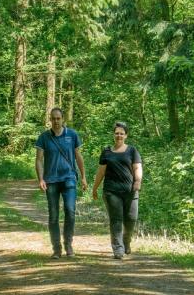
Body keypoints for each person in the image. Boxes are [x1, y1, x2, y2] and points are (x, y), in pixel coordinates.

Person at [35, 108, 88, 259]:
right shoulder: (44, 137)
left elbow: (78, 156)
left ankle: (68, 244)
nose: (56, 121)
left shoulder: (72, 135)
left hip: (69, 178)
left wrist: (83, 177)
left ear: (63, 119)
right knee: (53, 215)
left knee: (70, 211)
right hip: (51, 181)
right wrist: (40, 179)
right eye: (53, 119)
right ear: (50, 120)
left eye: (58, 118)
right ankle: (56, 248)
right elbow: (39, 160)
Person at [91, 121, 143, 259]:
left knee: (131, 219)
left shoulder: (132, 150)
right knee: (116, 220)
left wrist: (137, 182)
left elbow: (137, 167)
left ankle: (126, 241)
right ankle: (118, 250)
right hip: (111, 191)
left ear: (126, 135)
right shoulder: (107, 152)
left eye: (122, 133)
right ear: (113, 135)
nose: (119, 135)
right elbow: (101, 172)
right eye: (117, 133)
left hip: (130, 191)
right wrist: (95, 188)